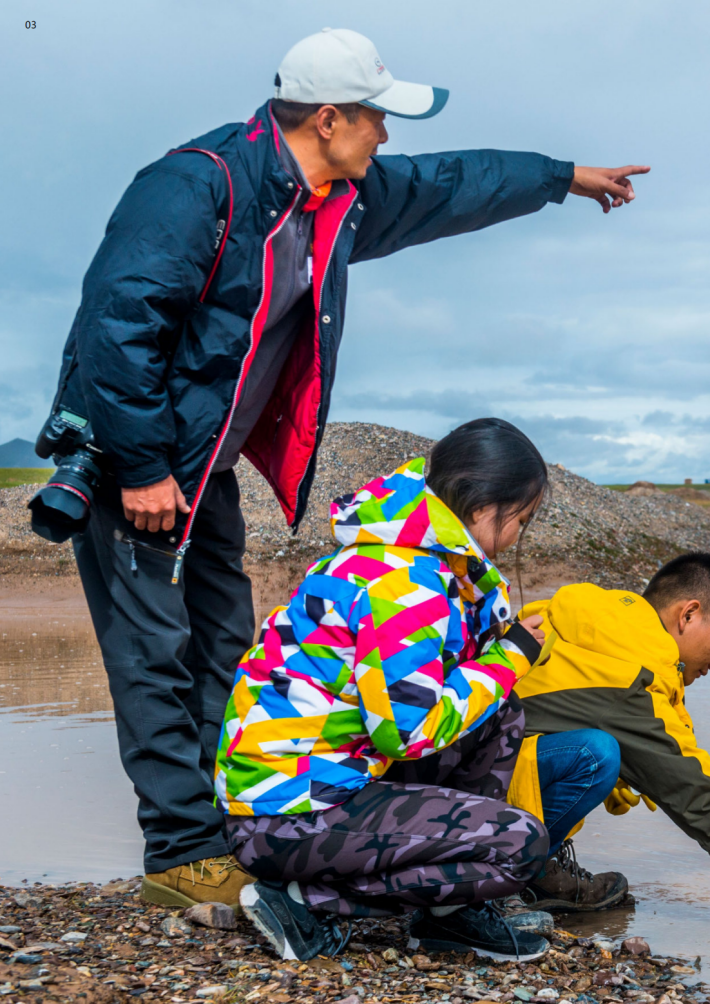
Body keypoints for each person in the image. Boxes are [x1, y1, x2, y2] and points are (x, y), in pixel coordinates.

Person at [45, 26, 649, 904]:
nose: (386, 135)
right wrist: (139, 466)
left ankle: (238, 834)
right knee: (152, 652)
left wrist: (562, 177)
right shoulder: (194, 187)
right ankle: (180, 857)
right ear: (327, 119)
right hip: (135, 463)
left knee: (224, 643)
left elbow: (450, 183)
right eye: (375, 117)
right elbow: (116, 320)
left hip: (205, 463)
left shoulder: (337, 197)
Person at [215, 419, 619, 961]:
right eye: (521, 519)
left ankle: (451, 915)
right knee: (519, 847)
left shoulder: (409, 561)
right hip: (286, 816)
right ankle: (305, 902)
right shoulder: (404, 584)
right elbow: (407, 733)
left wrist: (496, 646)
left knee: (500, 715)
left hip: (314, 787)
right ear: (483, 507)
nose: (519, 535)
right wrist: (508, 658)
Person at [512, 553, 710, 912]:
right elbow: (692, 790)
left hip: (443, 770)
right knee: (595, 756)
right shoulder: (631, 674)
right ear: (689, 614)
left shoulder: (600, 622)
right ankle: (519, 871)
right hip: (470, 796)